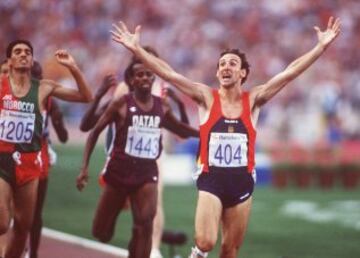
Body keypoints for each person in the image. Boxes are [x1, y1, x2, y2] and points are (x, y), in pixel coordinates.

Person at [110, 16, 341, 258]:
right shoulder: (206, 97)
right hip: (212, 179)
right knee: (206, 241)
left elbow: (289, 73)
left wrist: (320, 47)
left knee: (230, 250)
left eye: (232, 63)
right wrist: (137, 49)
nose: (225, 67)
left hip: (242, 181)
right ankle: (197, 254)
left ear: (243, 73)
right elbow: (169, 74)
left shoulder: (253, 100)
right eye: (221, 64)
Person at [76, 57, 198, 258]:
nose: (144, 78)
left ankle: (139, 243)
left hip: (147, 173)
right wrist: (84, 168)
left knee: (145, 224)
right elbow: (94, 132)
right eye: (139, 74)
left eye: (149, 74)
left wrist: (205, 133)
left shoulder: (162, 106)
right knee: (101, 232)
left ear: (153, 79)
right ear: (131, 80)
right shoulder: (120, 104)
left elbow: (180, 129)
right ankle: (122, 229)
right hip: (119, 172)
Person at [0, 39, 93, 258]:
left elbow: (86, 96)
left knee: (23, 226)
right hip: (2, 158)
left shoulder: (44, 87)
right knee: (3, 223)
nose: (23, 54)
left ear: (32, 60)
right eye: (18, 51)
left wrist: (73, 67)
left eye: (27, 52)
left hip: (30, 162)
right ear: (10, 60)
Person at [27, 61, 69, 258]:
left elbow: (63, 138)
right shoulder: (10, 96)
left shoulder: (50, 100)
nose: (36, 82)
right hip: (11, 153)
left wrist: (59, 121)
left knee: (35, 212)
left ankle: (33, 253)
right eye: (31, 77)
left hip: (39, 155)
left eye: (39, 77)